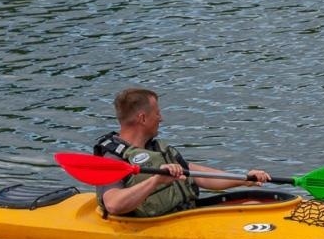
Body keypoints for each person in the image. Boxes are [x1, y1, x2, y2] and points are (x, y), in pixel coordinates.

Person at [94, 88, 273, 218]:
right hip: (155, 226)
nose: (161, 118)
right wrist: (156, 180)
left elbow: (199, 176)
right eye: (157, 113)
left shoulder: (156, 149)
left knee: (253, 205)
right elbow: (113, 204)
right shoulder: (113, 158)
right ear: (142, 118)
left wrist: (244, 179)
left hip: (184, 216)